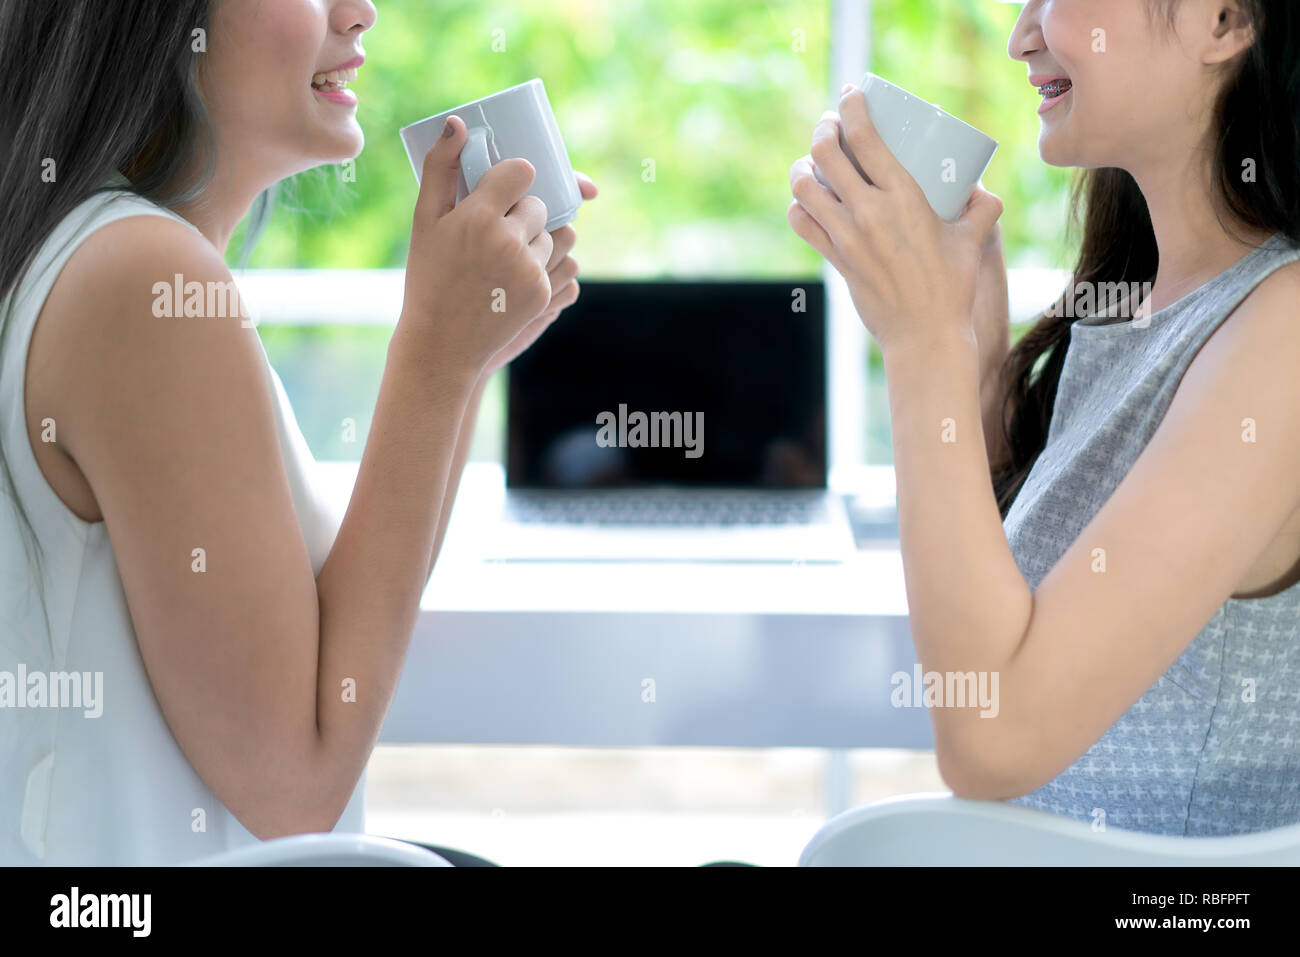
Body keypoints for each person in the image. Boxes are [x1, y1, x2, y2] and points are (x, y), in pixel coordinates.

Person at [0, 0, 595, 864]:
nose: (360, 11)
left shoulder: (112, 259)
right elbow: (297, 785)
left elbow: (331, 637)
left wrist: (466, 358)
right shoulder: (141, 278)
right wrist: (432, 360)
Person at [789, 0, 1300, 836]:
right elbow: (1015, 620)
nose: (1023, 36)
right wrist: (974, 365)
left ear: (1225, 20)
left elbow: (992, 738)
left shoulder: (1283, 326)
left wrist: (920, 349)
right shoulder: (1141, 306)